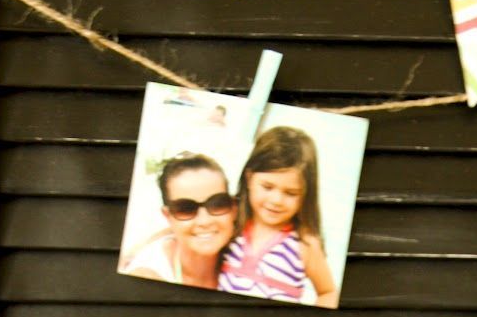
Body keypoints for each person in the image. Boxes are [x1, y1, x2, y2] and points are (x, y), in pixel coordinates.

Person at [218, 125, 337, 306]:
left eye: (291, 193)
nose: (277, 200)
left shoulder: (305, 244)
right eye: (267, 187)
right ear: (249, 178)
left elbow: (328, 292)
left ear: (305, 194)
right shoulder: (230, 222)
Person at [120, 153, 236, 288]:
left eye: (218, 204)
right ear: (167, 216)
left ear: (234, 209)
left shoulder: (244, 250)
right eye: (185, 209)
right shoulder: (148, 276)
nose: (204, 221)